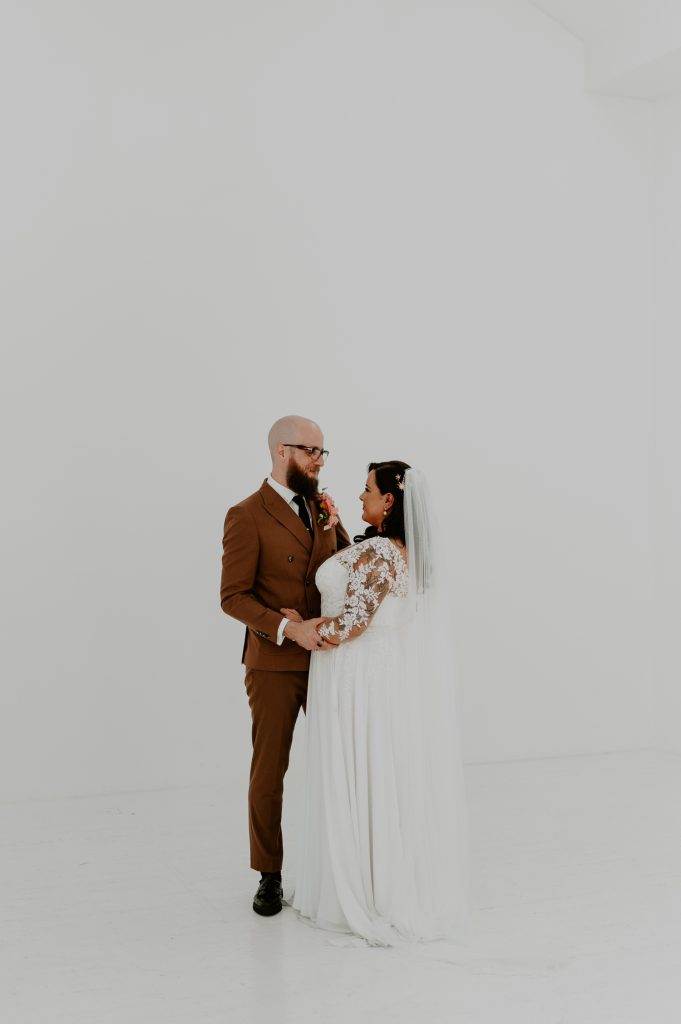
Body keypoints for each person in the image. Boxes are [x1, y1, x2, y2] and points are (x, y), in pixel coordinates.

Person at [290, 461, 469, 945]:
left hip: (355, 676)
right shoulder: (396, 551)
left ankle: (362, 886)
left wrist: (300, 628)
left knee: (356, 766)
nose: (360, 494)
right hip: (374, 674)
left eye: (367, 488)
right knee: (374, 771)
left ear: (389, 501)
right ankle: (372, 871)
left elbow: (351, 625)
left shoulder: (382, 554)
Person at [220, 415, 351, 917]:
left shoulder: (322, 507)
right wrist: (285, 626)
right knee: (270, 771)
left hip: (331, 660)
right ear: (281, 452)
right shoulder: (245, 514)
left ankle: (341, 867)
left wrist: (339, 526)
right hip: (275, 662)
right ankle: (268, 874)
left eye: (323, 452)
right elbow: (233, 597)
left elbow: (344, 566)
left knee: (339, 764)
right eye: (310, 451)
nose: (319, 460)